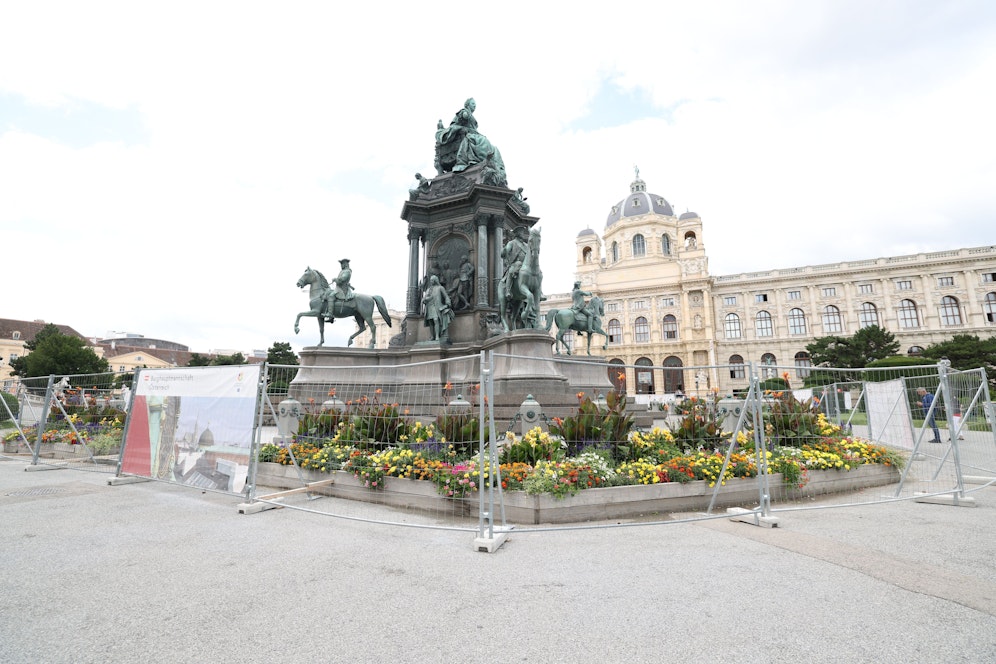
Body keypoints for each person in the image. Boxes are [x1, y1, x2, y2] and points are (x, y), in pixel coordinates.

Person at [500, 226, 529, 300]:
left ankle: (539, 292)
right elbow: (506, 251)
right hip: (515, 263)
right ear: (518, 234)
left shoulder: (526, 245)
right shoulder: (512, 243)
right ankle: (508, 291)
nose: (523, 234)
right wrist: (505, 250)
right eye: (522, 233)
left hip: (525, 264)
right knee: (511, 272)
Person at [422, 275, 454, 342]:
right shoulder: (428, 289)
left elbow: (446, 296)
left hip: (437, 306)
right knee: (431, 322)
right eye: (430, 280)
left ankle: (437, 336)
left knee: (436, 320)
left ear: (436, 280)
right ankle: (432, 336)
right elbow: (425, 298)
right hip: (429, 306)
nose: (431, 282)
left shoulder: (440, 288)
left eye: (432, 280)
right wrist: (424, 300)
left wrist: (448, 304)